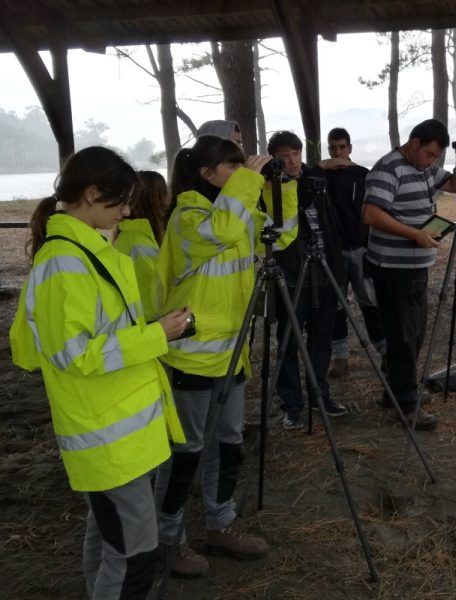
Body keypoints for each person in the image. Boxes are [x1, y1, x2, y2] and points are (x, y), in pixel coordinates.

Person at [9, 146, 190, 599]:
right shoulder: (64, 261)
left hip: (121, 431)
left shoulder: (88, 250)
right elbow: (73, 354)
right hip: (105, 435)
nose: (127, 211)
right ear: (91, 194)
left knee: (111, 541)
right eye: (121, 201)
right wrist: (157, 336)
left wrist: (153, 331)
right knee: (133, 558)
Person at [153, 135, 269, 578]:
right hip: (192, 357)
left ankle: (220, 525)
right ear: (206, 174)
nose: (242, 173)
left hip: (231, 355)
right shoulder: (189, 217)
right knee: (185, 454)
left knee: (229, 445)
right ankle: (169, 539)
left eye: (243, 166)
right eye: (231, 166)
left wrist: (287, 183)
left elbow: (281, 229)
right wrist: (248, 182)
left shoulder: (234, 209)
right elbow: (221, 231)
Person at [362, 119, 456, 431]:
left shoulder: (424, 169)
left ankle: (395, 391)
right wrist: (413, 234)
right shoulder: (388, 169)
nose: (432, 162)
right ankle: (406, 405)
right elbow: (370, 213)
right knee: (405, 335)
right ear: (414, 142)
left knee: (412, 332)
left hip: (415, 266)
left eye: (437, 157)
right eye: (430, 154)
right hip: (393, 269)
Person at [260, 130, 348, 430]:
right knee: (288, 342)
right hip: (291, 276)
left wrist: (339, 272)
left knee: (321, 341)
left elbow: (335, 227)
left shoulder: (316, 182)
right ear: (274, 158)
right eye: (284, 156)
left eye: (295, 154)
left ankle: (319, 396)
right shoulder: (267, 189)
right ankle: (292, 405)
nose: (291, 161)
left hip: (325, 274)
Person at [314, 127, 386, 379]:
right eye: (332, 147)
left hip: (360, 248)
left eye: (342, 147)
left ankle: (384, 350)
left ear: (350, 148)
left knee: (370, 300)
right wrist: (322, 166)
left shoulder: (362, 175)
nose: (337, 152)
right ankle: (340, 355)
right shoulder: (320, 177)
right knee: (335, 304)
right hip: (331, 252)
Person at [113, 170, 170, 322]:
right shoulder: (138, 243)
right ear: (156, 200)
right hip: (148, 324)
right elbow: (159, 293)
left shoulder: (136, 236)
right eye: (166, 193)